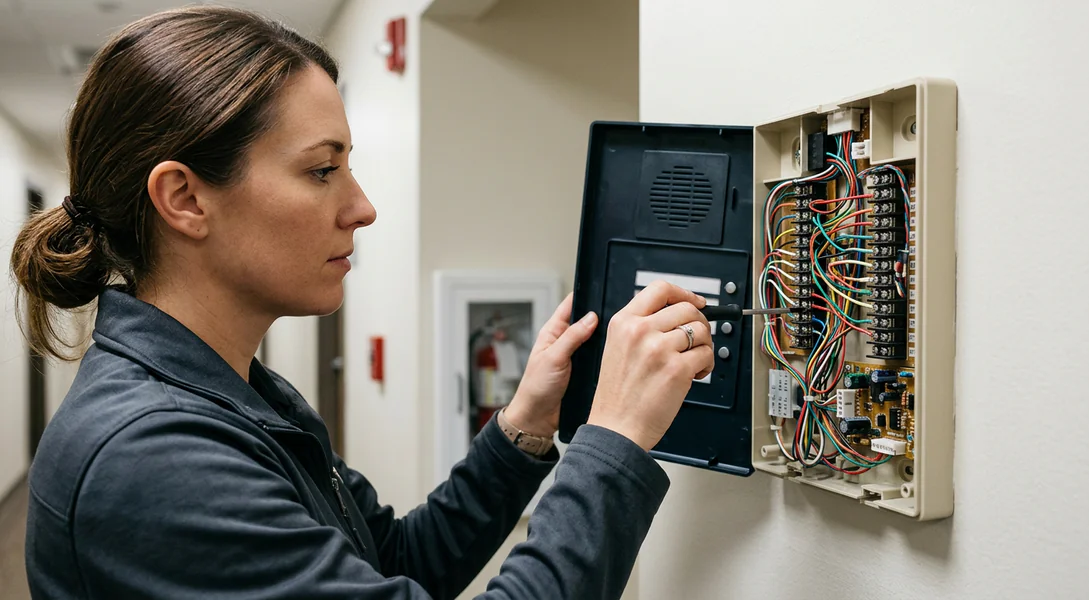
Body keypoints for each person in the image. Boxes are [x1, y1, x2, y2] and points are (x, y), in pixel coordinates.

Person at [11, 6, 714, 599]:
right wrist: (613, 441)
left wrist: (526, 425)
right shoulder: (152, 459)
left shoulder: (237, 393)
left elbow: (397, 562)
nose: (363, 208)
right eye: (321, 170)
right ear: (185, 198)